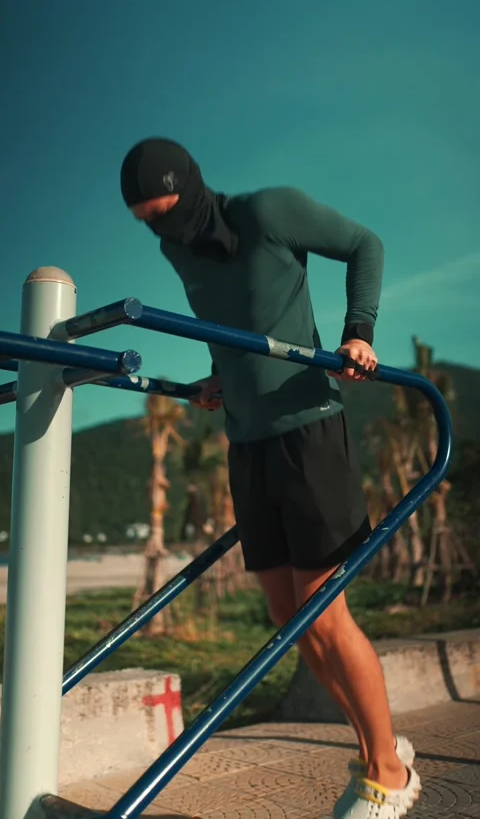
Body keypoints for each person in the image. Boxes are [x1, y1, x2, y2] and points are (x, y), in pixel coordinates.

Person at [120, 137, 421, 818]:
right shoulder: (178, 251)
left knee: (324, 611)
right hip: (247, 443)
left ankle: (387, 773)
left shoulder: (268, 211)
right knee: (289, 619)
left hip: (308, 428)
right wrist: (218, 376)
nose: (162, 231)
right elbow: (225, 319)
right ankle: (379, 747)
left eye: (165, 212)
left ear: (188, 188)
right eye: (147, 222)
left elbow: (365, 244)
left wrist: (359, 331)